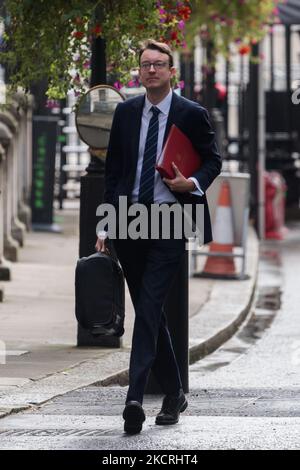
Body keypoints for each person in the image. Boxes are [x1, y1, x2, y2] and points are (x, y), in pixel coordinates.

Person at [95, 39, 222, 434]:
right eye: (145, 64)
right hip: (131, 221)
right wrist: (105, 224)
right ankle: (174, 392)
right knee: (151, 311)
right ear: (140, 71)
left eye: (158, 64)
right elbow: (114, 171)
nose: (151, 70)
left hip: (171, 220)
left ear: (171, 71)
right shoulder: (127, 113)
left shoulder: (191, 113)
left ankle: (134, 397)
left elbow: (213, 159)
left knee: (149, 307)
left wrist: (193, 183)